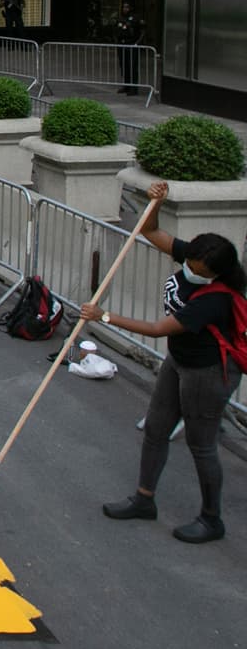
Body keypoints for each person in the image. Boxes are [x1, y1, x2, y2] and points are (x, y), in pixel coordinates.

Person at [81, 181, 244, 544]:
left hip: (207, 374)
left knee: (201, 445)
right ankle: (144, 498)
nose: (189, 270)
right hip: (180, 360)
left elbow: (157, 329)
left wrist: (104, 317)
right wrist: (157, 202)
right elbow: (149, 229)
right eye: (188, 262)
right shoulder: (195, 258)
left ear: (214, 272)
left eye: (197, 269)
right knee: (156, 427)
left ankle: (211, 518)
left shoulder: (215, 299)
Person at [117, 2, 145, 96]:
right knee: (124, 66)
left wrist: (137, 43)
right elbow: (117, 30)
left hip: (132, 45)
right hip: (122, 45)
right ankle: (126, 85)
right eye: (124, 7)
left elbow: (142, 31)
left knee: (132, 66)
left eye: (127, 7)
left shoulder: (137, 18)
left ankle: (133, 88)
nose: (125, 9)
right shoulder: (120, 18)